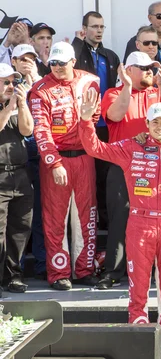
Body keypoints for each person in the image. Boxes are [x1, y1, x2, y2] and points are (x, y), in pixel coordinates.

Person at [79, 94, 161, 359]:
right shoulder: (131, 147)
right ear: (147, 123)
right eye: (155, 122)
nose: (160, 127)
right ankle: (140, 343)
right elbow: (95, 148)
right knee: (138, 289)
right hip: (139, 223)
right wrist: (86, 121)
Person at [97, 52, 161, 290]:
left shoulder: (157, 92)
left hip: (154, 166)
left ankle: (151, 272)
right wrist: (125, 85)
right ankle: (113, 271)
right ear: (129, 69)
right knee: (120, 218)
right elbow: (115, 115)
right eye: (142, 68)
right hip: (123, 164)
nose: (148, 73)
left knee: (154, 220)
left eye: (151, 69)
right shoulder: (114, 93)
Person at [29, 41, 101, 290]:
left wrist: (85, 119)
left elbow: (94, 118)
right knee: (55, 218)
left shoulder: (90, 81)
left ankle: (84, 270)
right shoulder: (40, 89)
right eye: (53, 63)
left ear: (73, 61)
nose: (58, 67)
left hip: (84, 157)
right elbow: (41, 130)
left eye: (62, 62)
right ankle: (58, 272)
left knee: (86, 216)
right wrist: (54, 162)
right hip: (56, 160)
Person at [72, 10, 121, 232]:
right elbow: (68, 71)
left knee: (105, 176)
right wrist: (77, 42)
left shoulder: (110, 56)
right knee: (87, 177)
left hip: (107, 126)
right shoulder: (77, 51)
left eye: (101, 27)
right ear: (84, 28)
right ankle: (87, 225)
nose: (99, 31)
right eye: (94, 27)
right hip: (83, 124)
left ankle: (107, 224)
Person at [11, 44, 45, 279]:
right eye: (21, 58)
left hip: (40, 152)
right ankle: (15, 268)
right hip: (14, 156)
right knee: (15, 218)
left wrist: (35, 82)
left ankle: (44, 265)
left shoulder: (44, 82)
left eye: (30, 58)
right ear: (13, 61)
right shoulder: (6, 84)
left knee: (42, 213)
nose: (26, 62)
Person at [0, 64, 34, 296]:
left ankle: (13, 275)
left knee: (21, 227)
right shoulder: (7, 107)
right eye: (6, 82)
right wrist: (10, 106)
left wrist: (21, 106)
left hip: (20, 175)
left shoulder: (17, 104)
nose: (11, 86)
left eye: (13, 82)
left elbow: (28, 129)